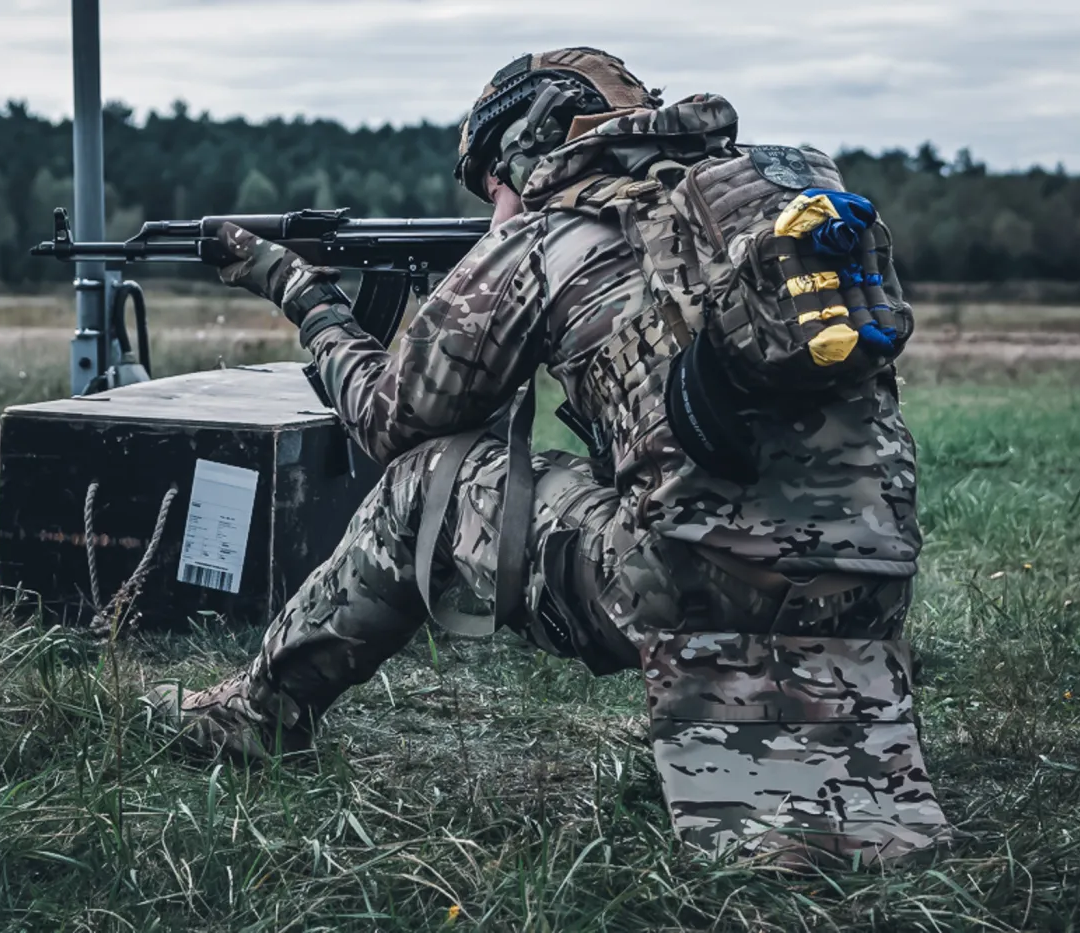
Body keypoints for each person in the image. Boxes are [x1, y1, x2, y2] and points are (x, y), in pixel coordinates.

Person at [147, 47, 951, 865]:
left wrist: (303, 295)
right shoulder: (753, 222)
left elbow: (387, 420)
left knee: (425, 481)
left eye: (493, 178)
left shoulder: (543, 239)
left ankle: (256, 717)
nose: (497, 199)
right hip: (869, 599)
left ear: (527, 145)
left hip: (696, 594)